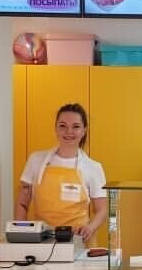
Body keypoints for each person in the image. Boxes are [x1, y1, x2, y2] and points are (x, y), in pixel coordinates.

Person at [15, 103, 107, 243]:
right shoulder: (36, 160)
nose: (69, 131)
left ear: (84, 131)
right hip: (42, 240)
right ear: (56, 129)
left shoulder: (93, 168)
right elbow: (22, 203)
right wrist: (22, 235)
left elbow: (102, 210)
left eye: (76, 126)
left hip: (78, 242)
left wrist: (90, 228)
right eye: (63, 126)